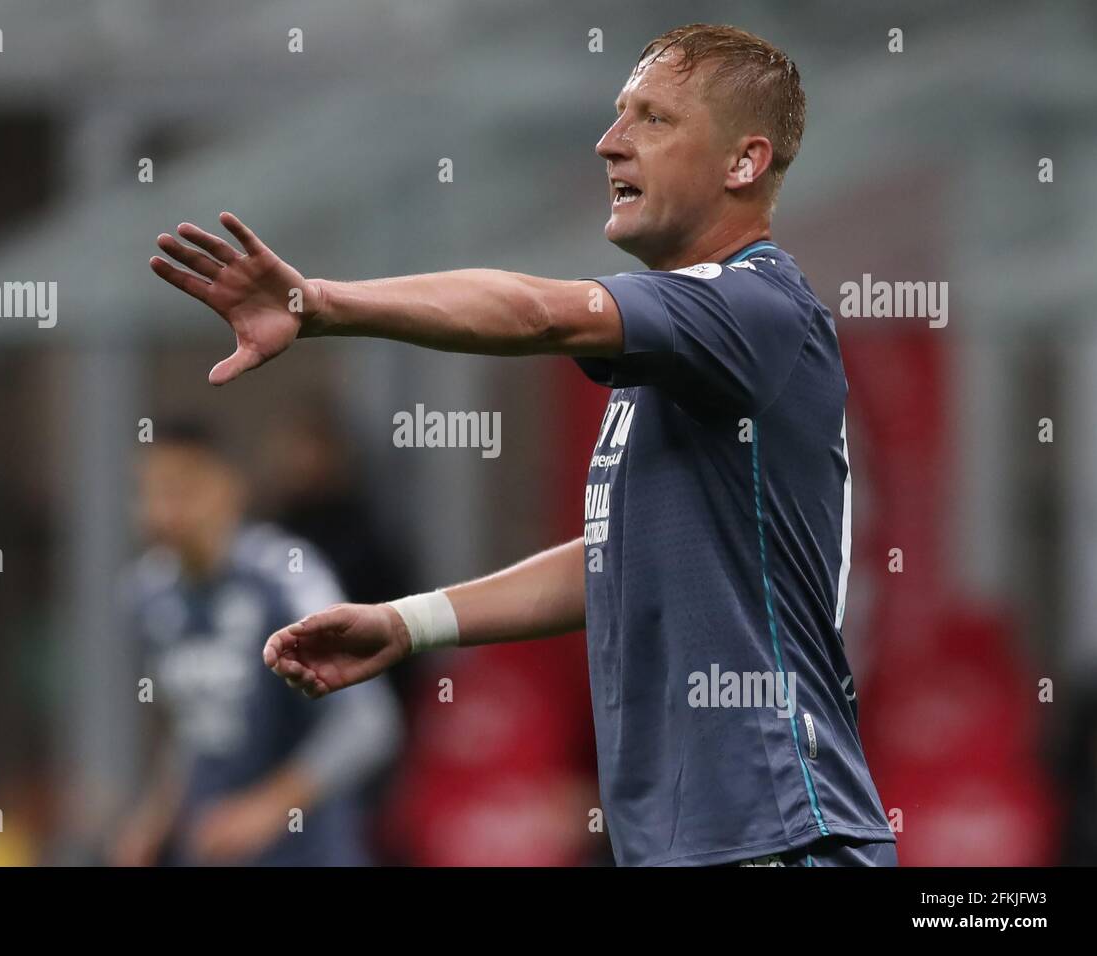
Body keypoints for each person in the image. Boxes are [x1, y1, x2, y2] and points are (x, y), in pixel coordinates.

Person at [149, 23, 896, 867]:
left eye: (652, 118)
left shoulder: (757, 308)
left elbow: (537, 312)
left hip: (785, 836)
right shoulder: (683, 357)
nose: (610, 142)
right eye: (618, 114)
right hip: (695, 845)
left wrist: (321, 303)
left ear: (743, 162)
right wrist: (410, 621)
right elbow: (620, 555)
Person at [111, 419, 401, 866]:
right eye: (150, 492)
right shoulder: (148, 594)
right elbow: (202, 727)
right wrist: (155, 818)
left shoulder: (285, 577)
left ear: (228, 488)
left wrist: (268, 809)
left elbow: (369, 723)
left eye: (180, 489)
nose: (163, 510)